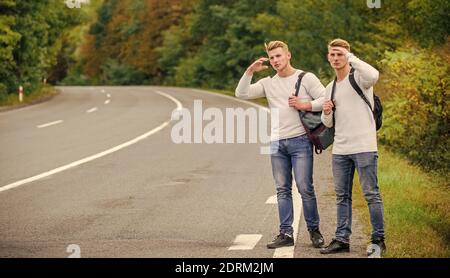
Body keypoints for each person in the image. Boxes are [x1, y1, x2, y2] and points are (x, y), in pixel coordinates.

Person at [235, 41, 326, 249]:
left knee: (305, 188)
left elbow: (326, 98)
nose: (275, 60)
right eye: (272, 57)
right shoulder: (268, 83)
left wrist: (305, 104)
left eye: (279, 56)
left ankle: (314, 230)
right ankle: (286, 233)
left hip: (301, 141)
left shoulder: (306, 78)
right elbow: (241, 93)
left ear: (288, 55)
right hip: (276, 143)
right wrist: (249, 71)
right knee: (282, 189)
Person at [320, 38, 386, 257]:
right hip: (340, 149)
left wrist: (352, 58)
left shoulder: (360, 78)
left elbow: (374, 74)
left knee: (371, 194)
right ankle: (341, 239)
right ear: (328, 57)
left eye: (340, 54)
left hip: (364, 147)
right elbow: (328, 123)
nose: (336, 58)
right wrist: (327, 111)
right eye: (333, 54)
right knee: (342, 196)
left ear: (347, 55)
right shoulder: (330, 87)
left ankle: (378, 240)